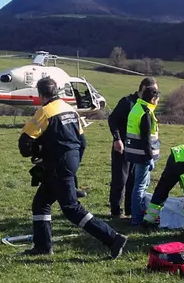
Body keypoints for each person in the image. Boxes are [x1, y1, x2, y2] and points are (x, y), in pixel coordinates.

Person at [18, 77, 127, 258]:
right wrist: (72, 165)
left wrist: (38, 150)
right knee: (41, 203)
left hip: (57, 165)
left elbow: (24, 144)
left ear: (40, 94)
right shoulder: (70, 110)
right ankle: (43, 247)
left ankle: (112, 238)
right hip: (70, 161)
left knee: (71, 208)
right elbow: (82, 141)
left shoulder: (44, 113)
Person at [107, 77, 159, 219]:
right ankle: (116, 211)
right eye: (152, 90)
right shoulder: (127, 102)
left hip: (138, 150)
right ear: (143, 89)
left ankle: (130, 209)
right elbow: (113, 120)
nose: (155, 94)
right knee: (120, 178)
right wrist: (117, 139)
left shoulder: (147, 106)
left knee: (133, 179)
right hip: (123, 146)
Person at [124, 86, 161, 227]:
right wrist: (150, 157)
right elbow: (146, 139)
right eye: (157, 99)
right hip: (143, 154)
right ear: (152, 99)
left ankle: (137, 215)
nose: (158, 102)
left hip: (134, 152)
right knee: (141, 186)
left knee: (139, 185)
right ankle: (137, 218)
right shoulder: (146, 113)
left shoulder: (137, 107)